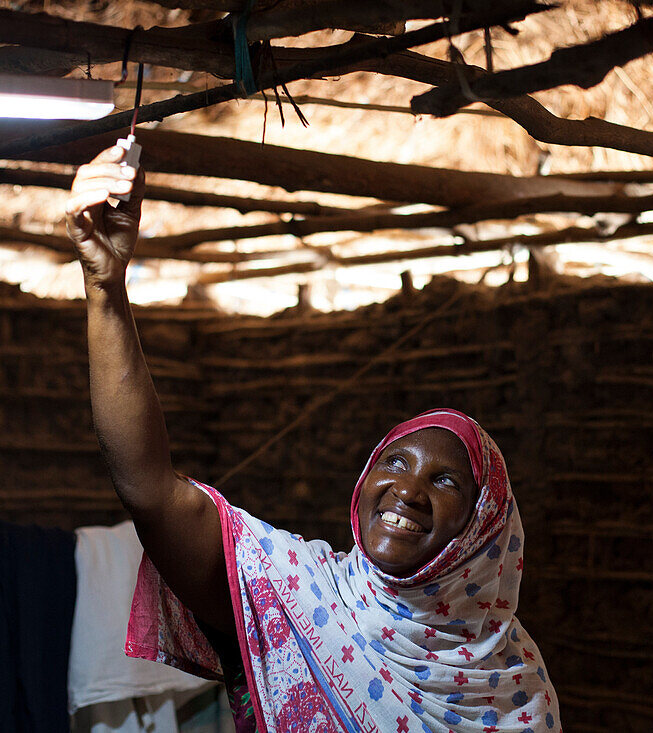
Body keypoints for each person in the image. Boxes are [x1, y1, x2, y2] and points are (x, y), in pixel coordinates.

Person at [66, 145, 562, 733]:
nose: (407, 490)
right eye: (395, 462)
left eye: (446, 479)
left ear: (485, 530)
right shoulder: (296, 600)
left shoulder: (516, 698)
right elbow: (150, 491)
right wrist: (106, 291)